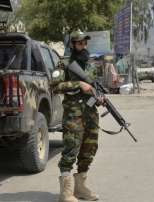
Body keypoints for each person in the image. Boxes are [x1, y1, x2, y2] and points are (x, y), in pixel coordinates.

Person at [51, 31, 100, 202]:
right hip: (74, 114)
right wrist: (78, 84)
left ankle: (80, 188)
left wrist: (99, 97)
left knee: (89, 149)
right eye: (79, 43)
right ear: (72, 44)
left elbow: (94, 87)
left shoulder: (90, 64)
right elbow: (54, 86)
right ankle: (66, 193)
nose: (83, 46)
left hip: (91, 113)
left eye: (85, 43)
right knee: (71, 148)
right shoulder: (64, 63)